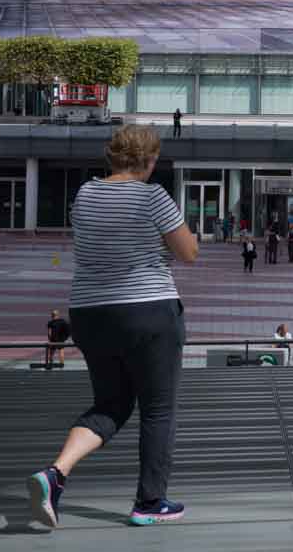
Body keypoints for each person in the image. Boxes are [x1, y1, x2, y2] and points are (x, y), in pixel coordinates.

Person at [25, 123, 198, 530]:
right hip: (148, 311)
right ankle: (149, 501)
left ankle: (55, 473)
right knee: (158, 410)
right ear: (150, 159)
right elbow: (188, 252)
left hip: (90, 313)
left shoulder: (85, 194)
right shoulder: (154, 195)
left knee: (111, 405)